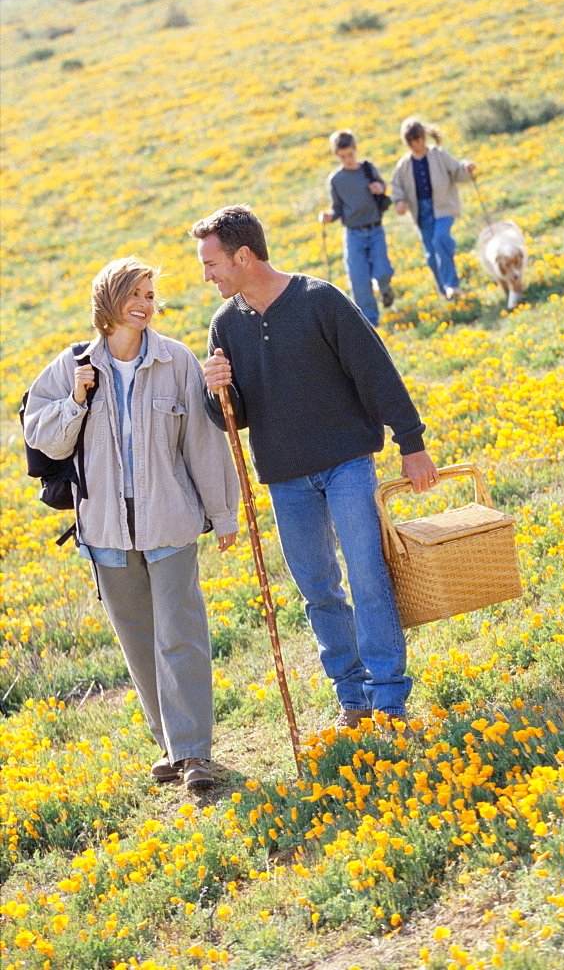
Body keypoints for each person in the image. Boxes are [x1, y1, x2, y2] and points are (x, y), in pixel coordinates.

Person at [191, 204, 439, 734]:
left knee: (368, 576)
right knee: (319, 590)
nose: (205, 275)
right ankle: (352, 696)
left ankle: (389, 700)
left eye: (211, 264)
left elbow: (376, 372)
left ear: (242, 256)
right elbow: (235, 417)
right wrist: (217, 391)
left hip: (347, 464)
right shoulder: (224, 325)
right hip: (286, 478)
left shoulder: (318, 300)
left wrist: (411, 442)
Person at [23, 257, 240, 790]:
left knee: (181, 636)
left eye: (150, 294)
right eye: (135, 294)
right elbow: (41, 437)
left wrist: (224, 512)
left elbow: (203, 444)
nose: (146, 304)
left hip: (170, 523)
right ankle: (170, 744)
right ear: (109, 302)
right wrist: (75, 399)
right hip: (104, 532)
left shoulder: (177, 362)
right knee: (138, 641)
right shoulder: (72, 364)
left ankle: (194, 755)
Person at [391, 117, 476, 299]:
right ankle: (444, 290)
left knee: (441, 238)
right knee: (430, 255)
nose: (417, 145)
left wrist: (467, 167)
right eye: (412, 142)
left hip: (444, 206)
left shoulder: (439, 155)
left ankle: (452, 284)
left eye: (419, 140)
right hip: (421, 212)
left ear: (425, 137)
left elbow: (457, 171)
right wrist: (399, 201)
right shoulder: (404, 165)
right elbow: (397, 186)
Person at [318, 129, 394, 327]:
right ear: (336, 155)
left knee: (383, 270)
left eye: (350, 154)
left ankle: (385, 288)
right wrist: (329, 216)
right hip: (353, 234)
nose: (348, 159)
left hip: (375, 229)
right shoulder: (336, 180)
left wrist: (380, 187)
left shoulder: (368, 169)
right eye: (342, 156)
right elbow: (337, 208)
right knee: (359, 279)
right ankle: (371, 322)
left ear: (355, 149)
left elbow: (382, 186)